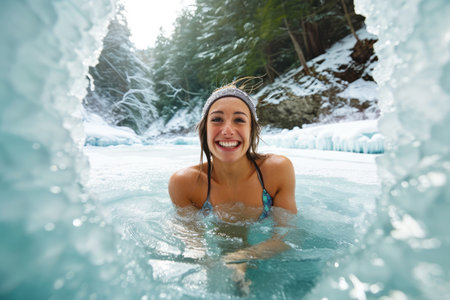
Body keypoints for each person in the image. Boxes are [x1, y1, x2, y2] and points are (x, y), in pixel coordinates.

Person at [168, 81, 297, 294]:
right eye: (217, 120)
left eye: (239, 120)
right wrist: (206, 260)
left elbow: (288, 235)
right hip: (219, 232)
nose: (228, 130)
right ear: (204, 130)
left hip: (260, 249)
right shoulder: (184, 183)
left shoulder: (276, 171)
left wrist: (242, 257)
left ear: (252, 129)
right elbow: (194, 242)